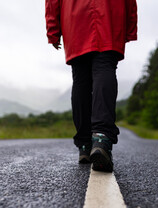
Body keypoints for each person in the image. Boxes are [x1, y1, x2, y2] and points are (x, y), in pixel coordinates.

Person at [45, 0, 137, 172]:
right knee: (105, 68)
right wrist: (130, 26)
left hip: (74, 18)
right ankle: (101, 138)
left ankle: (85, 145)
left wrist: (53, 30)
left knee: (80, 80)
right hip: (110, 14)